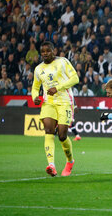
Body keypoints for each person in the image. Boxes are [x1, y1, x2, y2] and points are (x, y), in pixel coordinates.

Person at [32, 41, 79, 177]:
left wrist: (58, 88)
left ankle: (70, 161)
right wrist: (35, 97)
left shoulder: (63, 62)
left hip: (65, 101)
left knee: (62, 135)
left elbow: (75, 78)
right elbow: (35, 87)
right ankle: (51, 165)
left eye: (48, 51)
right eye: (43, 52)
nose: (45, 53)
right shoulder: (38, 69)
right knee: (48, 130)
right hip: (49, 102)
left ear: (54, 51)